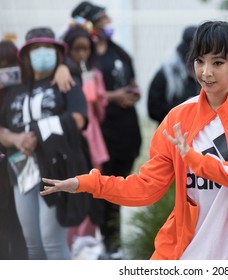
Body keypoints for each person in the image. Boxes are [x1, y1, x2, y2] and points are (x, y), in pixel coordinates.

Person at [41, 19, 228, 260]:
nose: (206, 72)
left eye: (217, 63)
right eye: (200, 61)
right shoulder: (178, 117)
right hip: (180, 256)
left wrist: (196, 161)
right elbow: (146, 188)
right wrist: (87, 184)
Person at [0, 27, 90, 259]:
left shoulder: (65, 82)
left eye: (48, 48)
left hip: (56, 169)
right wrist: (17, 139)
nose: (42, 53)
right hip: (21, 170)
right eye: (36, 48)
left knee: (52, 241)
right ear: (26, 55)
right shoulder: (14, 89)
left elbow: (79, 119)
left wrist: (37, 133)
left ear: (58, 53)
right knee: (32, 243)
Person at [71, 1, 142, 255]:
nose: (107, 22)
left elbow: (133, 83)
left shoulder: (119, 52)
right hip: (99, 140)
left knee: (118, 194)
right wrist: (113, 96)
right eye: (101, 19)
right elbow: (87, 95)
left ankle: (114, 247)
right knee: (97, 193)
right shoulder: (83, 57)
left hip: (126, 136)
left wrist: (132, 93)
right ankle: (99, 244)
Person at [62, 23, 109, 254]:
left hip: (93, 139)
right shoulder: (64, 75)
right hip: (73, 139)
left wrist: (95, 98)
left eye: (86, 49)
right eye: (77, 49)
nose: (82, 54)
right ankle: (71, 241)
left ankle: (88, 240)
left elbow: (100, 114)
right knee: (73, 185)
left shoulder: (94, 75)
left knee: (92, 185)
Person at [0, 40, 27, 260]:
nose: (5, 72)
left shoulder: (22, 91)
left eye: (10, 66)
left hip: (20, 166)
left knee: (20, 227)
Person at [147, 25, 200, 124]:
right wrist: (184, 105)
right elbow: (154, 110)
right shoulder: (166, 72)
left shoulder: (204, 75)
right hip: (171, 128)